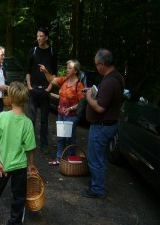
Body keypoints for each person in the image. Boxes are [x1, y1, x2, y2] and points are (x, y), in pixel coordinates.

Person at [0, 81, 38, 225]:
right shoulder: (27, 122)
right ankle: (15, 222)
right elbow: (30, 148)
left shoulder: (2, 117)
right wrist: (31, 164)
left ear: (10, 97)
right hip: (20, 167)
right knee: (19, 197)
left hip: (2, 165)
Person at [82, 48, 125, 198]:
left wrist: (88, 97)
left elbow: (100, 107)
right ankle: (96, 183)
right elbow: (105, 96)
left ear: (102, 64)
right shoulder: (116, 76)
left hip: (102, 127)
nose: (96, 67)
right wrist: (92, 90)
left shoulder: (110, 82)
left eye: (96, 64)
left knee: (95, 159)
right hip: (108, 125)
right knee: (99, 157)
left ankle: (97, 189)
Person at [39, 60, 85, 165]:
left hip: (71, 117)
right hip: (61, 115)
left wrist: (71, 108)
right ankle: (59, 159)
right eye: (67, 67)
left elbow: (82, 102)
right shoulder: (64, 80)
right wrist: (46, 71)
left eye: (69, 68)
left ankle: (70, 161)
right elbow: (51, 80)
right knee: (60, 137)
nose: (67, 70)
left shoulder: (79, 85)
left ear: (75, 70)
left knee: (70, 139)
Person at [25, 27, 57, 155]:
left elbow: (54, 73)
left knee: (44, 120)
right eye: (37, 36)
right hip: (33, 90)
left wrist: (49, 88)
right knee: (31, 119)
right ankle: (29, 144)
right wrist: (29, 86)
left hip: (45, 91)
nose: (39, 38)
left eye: (41, 36)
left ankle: (44, 145)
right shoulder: (33, 51)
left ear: (47, 37)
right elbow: (27, 71)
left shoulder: (52, 52)